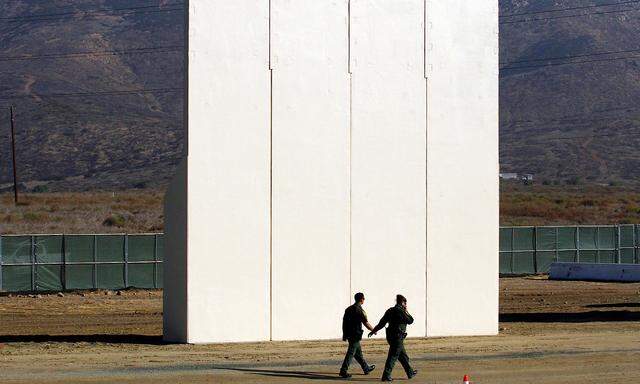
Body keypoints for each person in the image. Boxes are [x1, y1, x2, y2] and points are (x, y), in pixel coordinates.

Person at [368, 294, 418, 382]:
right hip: (398, 337)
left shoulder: (390, 310)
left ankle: (410, 372)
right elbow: (410, 320)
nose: (406, 305)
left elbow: (382, 323)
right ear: (403, 302)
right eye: (405, 303)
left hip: (391, 337)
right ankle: (386, 375)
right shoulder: (401, 311)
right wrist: (406, 311)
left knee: (403, 356)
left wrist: (373, 331)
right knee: (393, 356)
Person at [340, 292, 376, 379]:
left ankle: (366, 368)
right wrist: (373, 330)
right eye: (364, 298)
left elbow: (344, 323)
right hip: (355, 334)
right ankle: (343, 371)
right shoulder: (358, 310)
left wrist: (345, 334)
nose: (364, 300)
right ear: (361, 299)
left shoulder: (348, 309)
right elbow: (365, 322)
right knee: (351, 353)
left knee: (358, 353)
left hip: (350, 334)